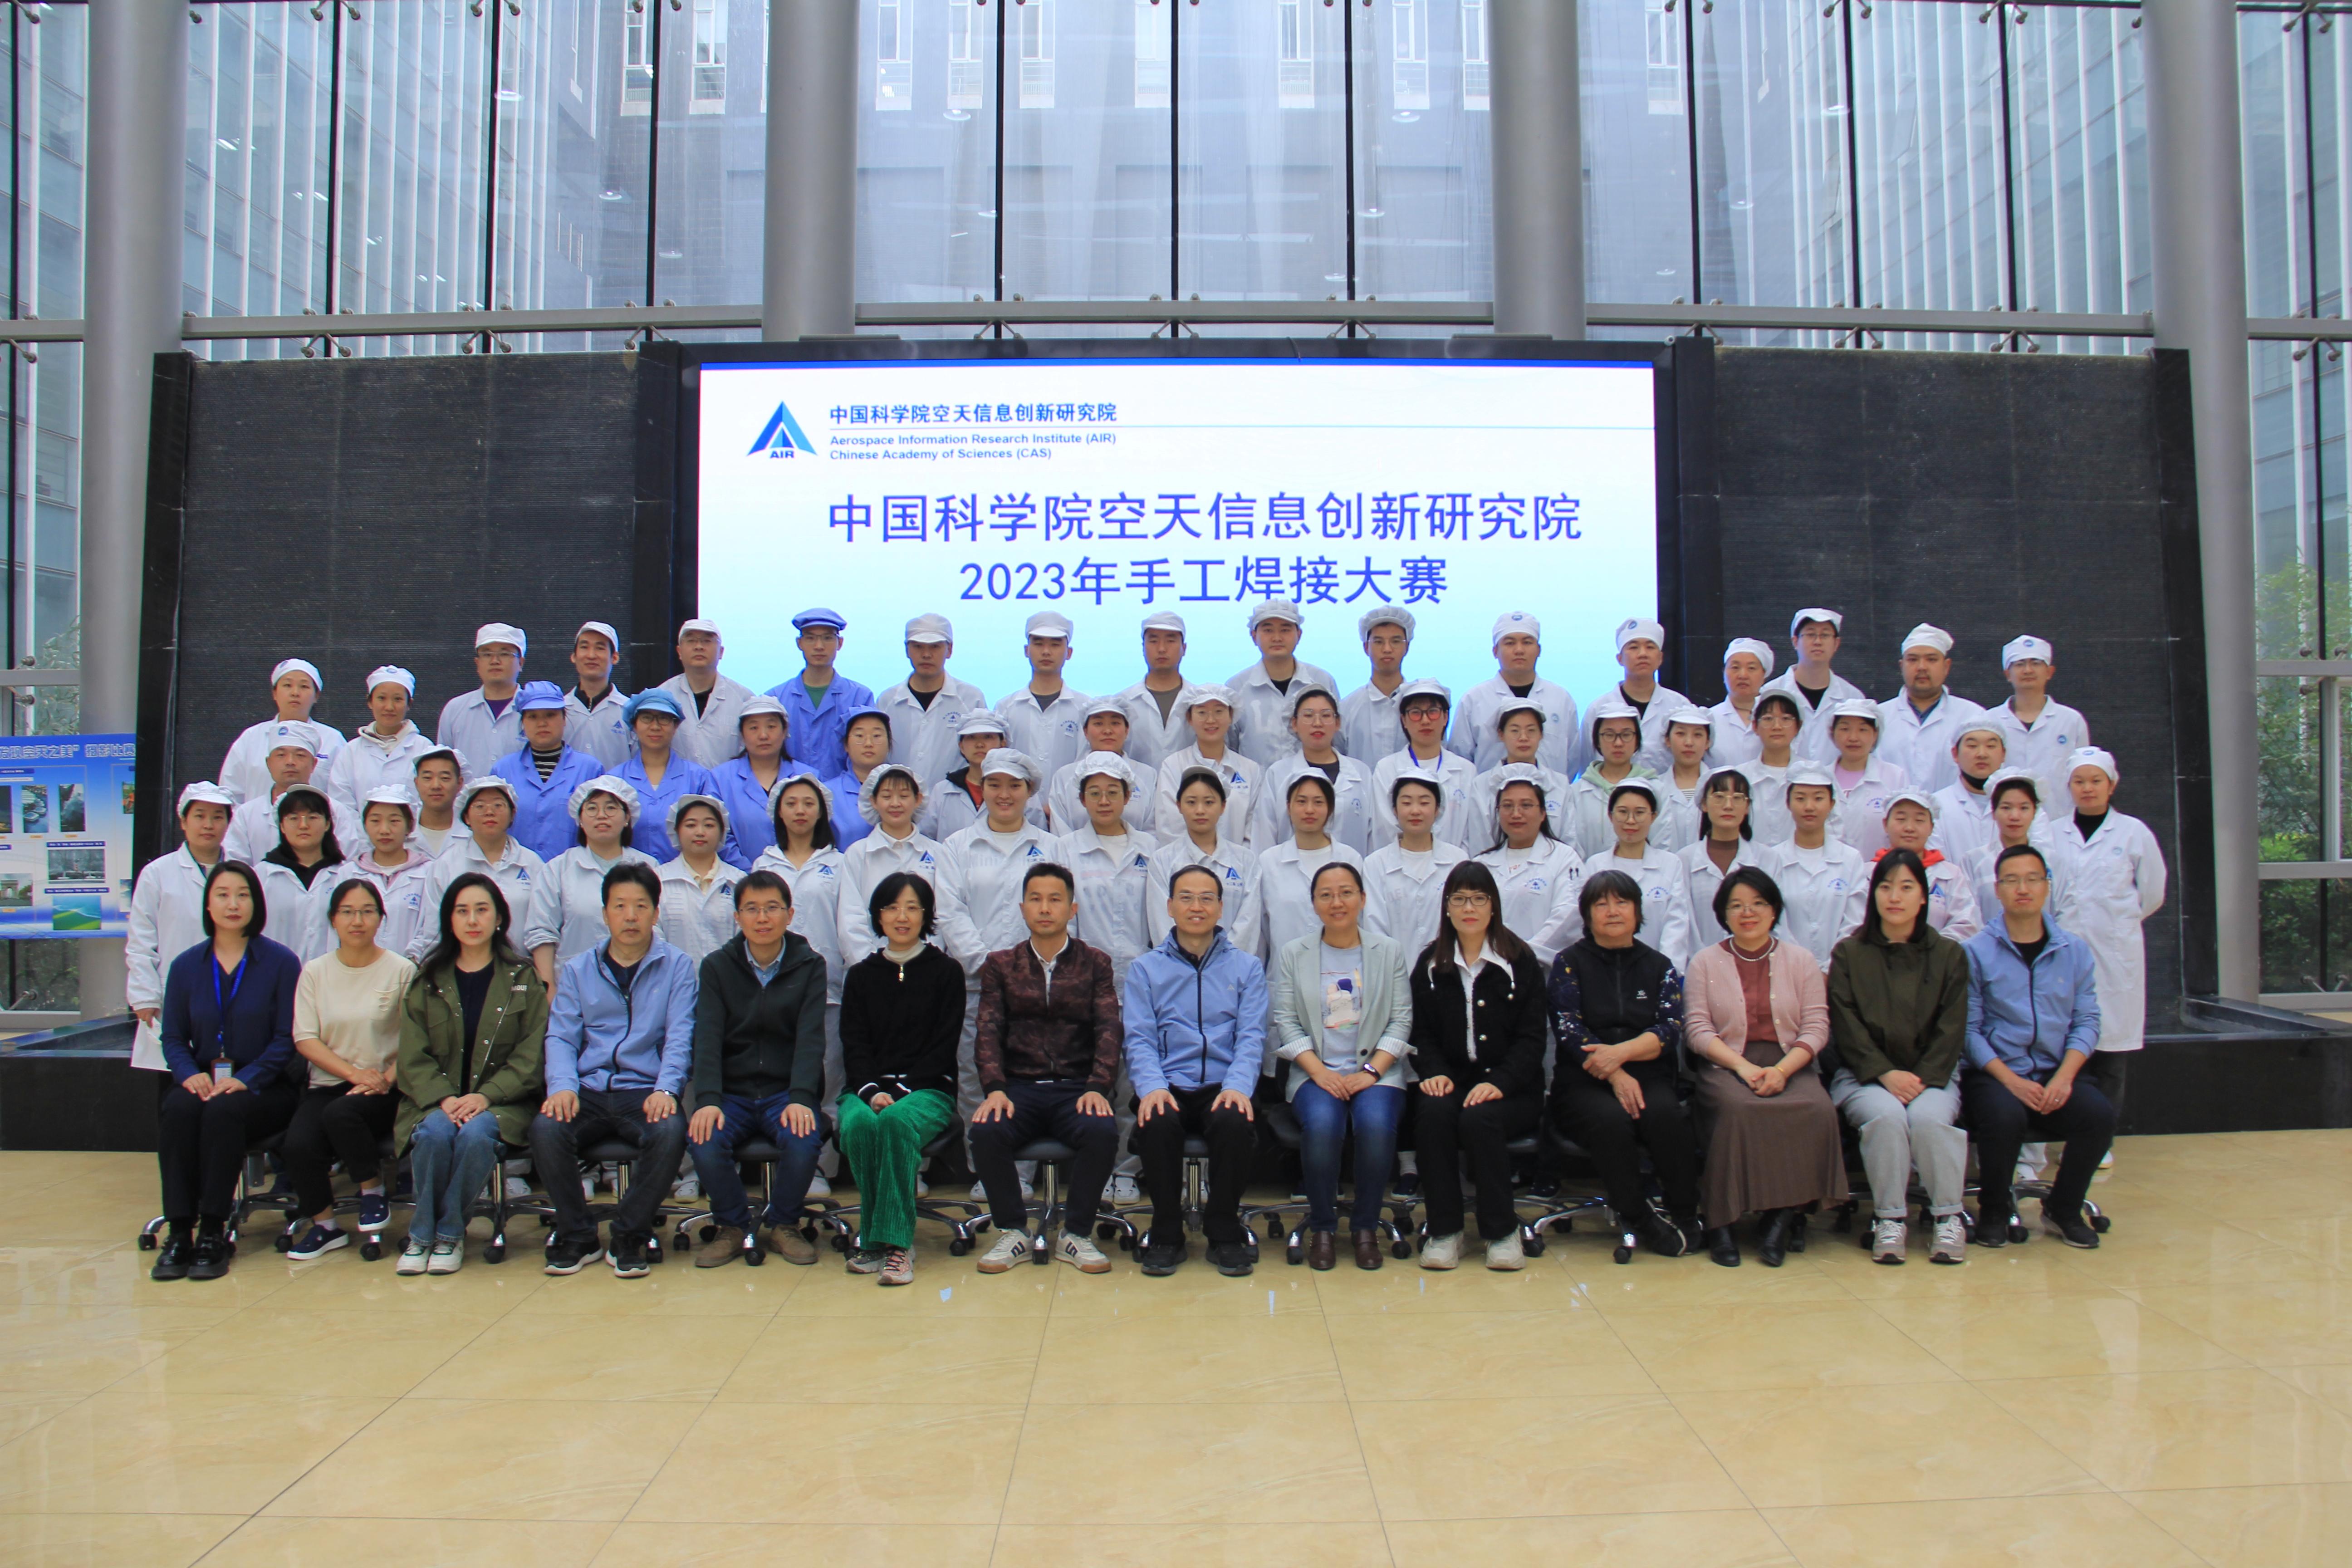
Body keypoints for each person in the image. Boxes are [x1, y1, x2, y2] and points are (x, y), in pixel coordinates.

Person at [529, 861, 698, 1277]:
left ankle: (630, 1233)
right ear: (605, 913)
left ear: (655, 913)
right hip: (587, 1088)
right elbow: (561, 1036)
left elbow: (680, 1036)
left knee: (670, 1130)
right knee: (547, 1129)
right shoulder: (578, 968)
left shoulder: (678, 966)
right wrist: (563, 1086)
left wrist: (667, 1089)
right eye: (620, 906)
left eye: (641, 906)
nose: (630, 916)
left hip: (644, 1089)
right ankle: (577, 1234)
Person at [1683, 866, 1846, 1267]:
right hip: (1726, 1065)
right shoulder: (1705, 962)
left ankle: (1780, 1219)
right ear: (1723, 914)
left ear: (1774, 910)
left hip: (1790, 1062)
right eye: (1737, 905)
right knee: (1739, 1109)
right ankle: (1721, 1222)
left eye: (1758, 904)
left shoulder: (1801, 961)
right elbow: (1697, 1030)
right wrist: (1742, 1068)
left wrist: (1783, 1071)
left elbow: (1816, 1026)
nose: (1748, 913)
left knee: (1816, 1109)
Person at [149, 862, 304, 1282]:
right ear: (208, 905)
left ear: (256, 903)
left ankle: (214, 1231)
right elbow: (173, 1037)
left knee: (223, 1111)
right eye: (223, 895)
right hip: (203, 1078)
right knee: (179, 1109)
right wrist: (188, 1073)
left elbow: (287, 1038)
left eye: (243, 895)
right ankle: (180, 1231)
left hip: (265, 1086)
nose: (233, 904)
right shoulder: (186, 966)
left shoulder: (280, 963)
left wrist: (247, 1078)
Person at [969, 864, 1124, 1275]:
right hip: (1019, 1087)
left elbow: (1109, 1028)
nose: (1045, 908)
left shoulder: (1096, 963)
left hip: (1077, 1087)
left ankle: (1077, 1234)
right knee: (986, 1130)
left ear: (1072, 909)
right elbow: (988, 1029)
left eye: (1055, 900)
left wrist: (1098, 1086)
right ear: (1022, 908)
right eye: (1035, 899)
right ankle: (1013, 1231)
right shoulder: (1002, 964)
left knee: (1102, 1131)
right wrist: (995, 1087)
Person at [393, 874, 549, 1275]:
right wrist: (445, 1098)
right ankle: (421, 1237)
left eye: (482, 910)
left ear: (499, 918)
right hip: (437, 1101)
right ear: (449, 920)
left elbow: (531, 1055)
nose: (473, 920)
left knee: (477, 1134)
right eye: (462, 911)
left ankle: (447, 1234)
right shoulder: (428, 979)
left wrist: (485, 1096)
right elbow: (412, 1055)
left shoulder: (522, 978)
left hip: (503, 1103)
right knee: (433, 1133)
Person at [1962, 844, 2115, 1248]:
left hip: (2054, 1070)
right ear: (1998, 889)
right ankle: (1994, 1210)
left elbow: (2087, 1020)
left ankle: (2063, 1208)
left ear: (2047, 886)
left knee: (2098, 1115)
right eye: (2012, 881)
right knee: (2003, 1115)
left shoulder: (2073, 950)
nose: (2023, 889)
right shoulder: (1976, 952)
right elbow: (1969, 1031)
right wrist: (2011, 1081)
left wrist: (2065, 1077)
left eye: (2032, 879)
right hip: (1995, 1072)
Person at [1548, 869, 1705, 1258]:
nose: (1613, 911)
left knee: (1667, 1116)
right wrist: (1616, 1074)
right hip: (1584, 1081)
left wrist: (1621, 1055)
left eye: (1622, 902)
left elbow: (1669, 1029)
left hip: (1648, 1074)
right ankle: (1639, 1215)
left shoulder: (1659, 965)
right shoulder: (1568, 963)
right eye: (1601, 904)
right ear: (1587, 915)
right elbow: (1569, 1030)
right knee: (1611, 1121)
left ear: (1638, 911)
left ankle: (1686, 1213)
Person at [1827, 849, 1972, 1266]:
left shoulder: (1948, 955)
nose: (1895, 897)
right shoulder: (1849, 953)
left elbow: (1952, 1028)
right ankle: (1889, 1219)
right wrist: (1886, 1074)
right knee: (1887, 1117)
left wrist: (1922, 1078)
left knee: (1929, 1119)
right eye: (1886, 887)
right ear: (1873, 895)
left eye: (1907, 887)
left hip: (1932, 1075)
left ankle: (1948, 1217)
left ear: (1924, 897)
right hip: (1865, 1075)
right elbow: (1847, 1025)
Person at [1125, 864, 1268, 1277]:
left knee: (1234, 1121)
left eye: (1207, 899)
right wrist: (1152, 1087)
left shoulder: (1247, 968)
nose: (1196, 907)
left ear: (1221, 908)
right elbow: (1139, 1038)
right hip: (1168, 1082)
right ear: (1170, 906)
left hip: (1223, 1082)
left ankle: (1224, 1231)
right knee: (1157, 1121)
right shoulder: (1145, 969)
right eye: (1186, 898)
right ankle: (1166, 1233)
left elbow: (1252, 1037)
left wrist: (1238, 1087)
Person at [1269, 862, 1412, 1271]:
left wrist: (1370, 1073)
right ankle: (1323, 1228)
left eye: (1346, 892)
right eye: (1326, 895)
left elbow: (1401, 1020)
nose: (1337, 902)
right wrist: (1320, 1072)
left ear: (1363, 899)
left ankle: (1366, 1227)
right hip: (1316, 1072)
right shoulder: (1294, 953)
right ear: (1314, 903)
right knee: (1323, 1126)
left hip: (1377, 1072)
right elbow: (1286, 1021)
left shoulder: (1388, 951)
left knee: (1375, 1126)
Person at [1408, 861, 1548, 1271]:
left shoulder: (1520, 960)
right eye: (1459, 899)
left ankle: (1502, 1232)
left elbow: (1532, 1039)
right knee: (1433, 1114)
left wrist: (1502, 1082)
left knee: (1481, 1118)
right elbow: (1420, 1033)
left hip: (1512, 1088)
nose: (1469, 908)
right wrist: (1434, 1072)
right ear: (1447, 907)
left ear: (1493, 906)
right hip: (1451, 1080)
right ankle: (1445, 1230)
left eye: (1479, 898)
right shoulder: (1430, 963)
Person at [686, 869, 828, 1267]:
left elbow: (810, 1039)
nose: (762, 918)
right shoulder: (717, 966)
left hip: (784, 1092)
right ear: (737, 917)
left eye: (772, 908)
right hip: (732, 1093)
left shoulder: (810, 965)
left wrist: (802, 1097)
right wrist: (708, 1099)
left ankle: (784, 1224)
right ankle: (732, 1225)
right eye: (751, 909)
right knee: (703, 1139)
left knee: (804, 1138)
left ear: (790, 914)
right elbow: (707, 1038)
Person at [837, 873, 966, 1285]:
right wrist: (872, 1091)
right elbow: (854, 1045)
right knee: (859, 1124)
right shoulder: (861, 975)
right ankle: (876, 1239)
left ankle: (895, 1246)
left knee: (894, 1121)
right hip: (867, 1089)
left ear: (927, 916)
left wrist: (902, 1092)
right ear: (878, 916)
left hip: (927, 1090)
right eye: (892, 908)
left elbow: (943, 1047)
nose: (902, 917)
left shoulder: (946, 972)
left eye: (913, 908)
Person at [282, 880, 418, 1261]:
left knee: (342, 1114)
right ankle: (325, 1227)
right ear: (333, 920)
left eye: (367, 911)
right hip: (331, 1083)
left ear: (381, 918)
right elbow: (306, 1039)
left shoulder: (401, 970)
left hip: (386, 1088)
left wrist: (384, 1079)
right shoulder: (315, 972)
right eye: (347, 912)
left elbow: (416, 1038)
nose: (357, 921)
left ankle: (372, 1191)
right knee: (298, 1143)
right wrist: (354, 1075)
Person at [941, 749, 1062, 1144]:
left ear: (1030, 791)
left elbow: (1062, 912)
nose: (1004, 794)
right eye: (994, 785)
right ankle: (982, 1166)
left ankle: (1023, 1171)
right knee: (974, 1075)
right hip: (977, 982)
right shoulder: (958, 846)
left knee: (1029, 1075)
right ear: (982, 788)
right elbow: (950, 911)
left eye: (1014, 786)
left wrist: (1034, 968)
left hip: (1037, 985)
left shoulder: (1052, 847)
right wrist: (986, 964)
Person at [2048, 746, 2166, 1127]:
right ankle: (2065, 1129)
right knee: (2065, 1046)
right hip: (2064, 953)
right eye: (2079, 781)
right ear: (2069, 787)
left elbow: (2153, 893)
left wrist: (2117, 924)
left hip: (2116, 957)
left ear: (2112, 785)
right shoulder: (2053, 834)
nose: (2088, 788)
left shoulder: (2134, 833)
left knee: (2112, 1049)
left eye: (2096, 781)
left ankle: (2100, 1139)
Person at [753, 771, 851, 1183]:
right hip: (772, 991)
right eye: (791, 803)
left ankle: (820, 1168)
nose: (800, 811)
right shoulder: (763, 865)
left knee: (827, 1080)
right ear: (778, 811)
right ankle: (788, 1169)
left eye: (809, 803)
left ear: (822, 812)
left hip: (828, 988)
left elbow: (849, 925)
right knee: (784, 1081)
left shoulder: (839, 864)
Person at [130, 784, 239, 1073]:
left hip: (232, 990)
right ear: (183, 821)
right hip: (174, 995)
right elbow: (141, 940)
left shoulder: (242, 872)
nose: (208, 825)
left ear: (228, 823)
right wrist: (145, 996)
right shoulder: (157, 874)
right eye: (200, 816)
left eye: (218, 817)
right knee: (178, 1078)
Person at [836, 762, 964, 972]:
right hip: (870, 972)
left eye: (904, 796)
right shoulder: (858, 854)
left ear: (918, 799)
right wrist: (871, 968)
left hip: (927, 971)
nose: (895, 804)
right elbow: (851, 919)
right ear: (873, 801)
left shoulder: (938, 853)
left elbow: (944, 914)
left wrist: (925, 963)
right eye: (887, 796)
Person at [524, 776, 660, 970]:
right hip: (573, 980)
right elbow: (541, 931)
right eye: (592, 808)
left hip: (640, 975)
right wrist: (548, 983)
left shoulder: (649, 866)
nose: (602, 815)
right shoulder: (558, 869)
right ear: (580, 819)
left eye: (611, 808)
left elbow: (659, 926)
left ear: (627, 818)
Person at [412, 777, 548, 965]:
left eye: (498, 805)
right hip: (461, 968)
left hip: (520, 969)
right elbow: (434, 930)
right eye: (480, 806)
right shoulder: (446, 865)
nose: (489, 812)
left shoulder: (532, 864)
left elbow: (542, 926)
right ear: (467, 817)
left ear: (513, 814)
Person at [1146, 767, 1264, 968]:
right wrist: (1187, 966)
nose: (1200, 810)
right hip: (1177, 971)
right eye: (1191, 802)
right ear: (1179, 806)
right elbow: (1161, 923)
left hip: (1233, 971)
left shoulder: (1246, 860)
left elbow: (1249, 923)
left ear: (1223, 806)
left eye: (1209, 802)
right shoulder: (1162, 860)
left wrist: (1223, 965)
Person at [1256, 774, 1379, 966]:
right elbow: (1262, 929)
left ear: (1331, 808)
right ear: (1288, 807)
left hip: (1344, 973)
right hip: (1284, 974)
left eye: (1319, 802)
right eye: (1301, 802)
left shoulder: (1350, 859)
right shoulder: (1269, 862)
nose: (1309, 810)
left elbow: (1362, 921)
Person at [1759, 763, 1868, 969]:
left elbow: (1856, 921)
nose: (1809, 807)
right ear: (1788, 803)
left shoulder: (1851, 859)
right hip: (1785, 969)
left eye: (1818, 798)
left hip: (1841, 971)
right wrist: (1801, 967)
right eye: (1801, 798)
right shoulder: (1772, 859)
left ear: (1832, 803)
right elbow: (1772, 920)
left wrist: (1831, 967)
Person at [614, 689, 740, 867]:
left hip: (686, 877)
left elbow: (716, 831)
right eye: (647, 718)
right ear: (634, 725)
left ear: (676, 727)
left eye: (664, 719)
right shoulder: (615, 779)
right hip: (629, 877)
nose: (655, 726)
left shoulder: (699, 778)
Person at [1474, 768, 1586, 964]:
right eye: (1507, 806)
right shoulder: (1481, 864)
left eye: (1526, 805)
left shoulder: (1564, 858)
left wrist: (1523, 955)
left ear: (1543, 813)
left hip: (1544, 969)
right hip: (1488, 968)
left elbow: (1569, 916)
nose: (1516, 814)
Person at [1450, 611, 1581, 777]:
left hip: (1551, 792)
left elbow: (1573, 759)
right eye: (1510, 643)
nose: (1519, 650)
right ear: (1495, 651)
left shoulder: (1561, 699)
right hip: (1489, 793)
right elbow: (1460, 758)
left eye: (1527, 642)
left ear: (1539, 650)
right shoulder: (1474, 700)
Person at [1251, 687, 1377, 854]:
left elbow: (1374, 837)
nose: (1317, 723)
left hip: (1351, 869)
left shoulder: (1361, 773)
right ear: (1294, 723)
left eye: (1326, 715)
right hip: (1290, 869)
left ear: (1338, 723)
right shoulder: (1278, 774)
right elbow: (1264, 837)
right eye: (1308, 715)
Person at [493, 681, 605, 862]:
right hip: (515, 870)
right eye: (533, 717)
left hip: (575, 870)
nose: (542, 723)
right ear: (523, 723)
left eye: (550, 715)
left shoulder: (590, 770)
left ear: (564, 719)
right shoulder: (503, 770)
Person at [322, 665, 434, 845]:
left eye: (398, 699)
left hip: (415, 846)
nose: (389, 707)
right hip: (360, 848)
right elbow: (342, 806)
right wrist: (366, 840)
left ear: (409, 704)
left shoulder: (425, 749)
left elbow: (430, 803)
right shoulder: (351, 751)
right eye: (382, 698)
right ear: (370, 702)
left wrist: (408, 838)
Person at [877, 612, 989, 791]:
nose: (926, 655)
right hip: (898, 801)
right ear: (907, 650)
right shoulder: (887, 701)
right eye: (918, 647)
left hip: (955, 798)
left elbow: (983, 756)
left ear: (949, 650)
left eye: (935, 647)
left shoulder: (971, 698)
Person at [1363, 772, 1468, 962]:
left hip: (1448, 969)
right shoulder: (1375, 865)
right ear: (1395, 810)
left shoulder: (1457, 860)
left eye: (1424, 803)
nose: (1415, 811)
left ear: (1437, 809)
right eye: (1406, 803)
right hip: (1392, 970)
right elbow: (1374, 927)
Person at [1594, 780, 1697, 968]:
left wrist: (1666, 971)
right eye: (1623, 812)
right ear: (1610, 816)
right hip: (1604, 968)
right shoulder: (1595, 865)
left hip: (1656, 971)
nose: (1631, 821)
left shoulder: (1670, 864)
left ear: (1653, 817)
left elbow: (1676, 923)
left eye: (1640, 813)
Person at [766, 607, 876, 782]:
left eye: (827, 638)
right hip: (789, 794)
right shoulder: (775, 699)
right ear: (799, 643)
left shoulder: (860, 697)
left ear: (840, 643)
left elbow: (870, 755)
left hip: (846, 794)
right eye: (811, 638)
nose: (819, 646)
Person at [1229, 598, 1342, 769]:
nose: (1277, 638)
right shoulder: (1236, 687)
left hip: (1315, 784)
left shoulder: (1322, 681)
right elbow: (1230, 748)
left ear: (1299, 635)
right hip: (1256, 785)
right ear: (1254, 636)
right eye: (1268, 630)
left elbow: (1336, 741)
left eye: (1285, 630)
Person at [1872, 624, 1986, 792]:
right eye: (1913, 660)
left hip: (1954, 808)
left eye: (1931, 660)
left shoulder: (1973, 716)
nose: (1922, 667)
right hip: (1891, 808)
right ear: (1902, 666)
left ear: (1946, 666)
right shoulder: (1878, 717)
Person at [1990, 634, 2092, 814]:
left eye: (2036, 663)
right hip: (2007, 821)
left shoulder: (2071, 720)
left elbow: (2084, 772)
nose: (2028, 670)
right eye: (2020, 664)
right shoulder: (1990, 721)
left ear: (2049, 672)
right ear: (2008, 674)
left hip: (2059, 820)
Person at [1370, 679, 1478, 848]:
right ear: (1404, 720)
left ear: (1446, 717)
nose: (1425, 720)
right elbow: (1385, 829)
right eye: (1416, 713)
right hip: (1400, 861)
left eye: (1433, 712)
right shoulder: (1386, 769)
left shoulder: (1467, 771)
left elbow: (1471, 833)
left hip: (1457, 863)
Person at [219, 657, 341, 804]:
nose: (295, 693)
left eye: (304, 687)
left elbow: (341, 796)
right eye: (288, 685)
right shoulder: (251, 738)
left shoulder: (333, 740)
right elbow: (230, 794)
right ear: (275, 693)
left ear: (316, 696)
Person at [1150, 685, 1260, 846]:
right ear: (1189, 718)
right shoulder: (1173, 766)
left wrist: (1236, 858)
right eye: (1202, 713)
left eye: (1219, 712)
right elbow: (1168, 826)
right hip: (1184, 860)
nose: (1211, 720)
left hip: (1238, 861)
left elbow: (1254, 829)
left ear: (1231, 716)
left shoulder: (1250, 769)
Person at [1962, 769, 2071, 928]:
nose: (2015, 816)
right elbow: (1969, 915)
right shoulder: (1973, 861)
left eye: (2024, 808)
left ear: (2034, 813)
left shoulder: (2053, 862)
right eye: (2006, 808)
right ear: (1993, 812)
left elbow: (2067, 914)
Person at [995, 610, 1094, 784]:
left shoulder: (1086, 707)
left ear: (1069, 653)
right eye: (1039, 644)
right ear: (1027, 650)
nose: (1046, 652)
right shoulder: (1005, 708)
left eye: (1055, 645)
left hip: (1070, 800)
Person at [1760, 607, 1868, 763]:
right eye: (1811, 635)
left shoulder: (1852, 697)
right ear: (1795, 641)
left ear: (1836, 643)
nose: (1818, 642)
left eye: (1825, 635)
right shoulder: (1770, 693)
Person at [253, 785, 344, 961]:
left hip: (332, 974)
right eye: (294, 818)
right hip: (277, 972)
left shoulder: (345, 874)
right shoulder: (262, 875)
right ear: (282, 826)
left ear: (328, 824)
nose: (304, 825)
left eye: (313, 817)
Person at [1466, 699, 1573, 845]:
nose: (1524, 738)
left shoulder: (1560, 784)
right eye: (1515, 731)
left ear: (1541, 734)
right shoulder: (1482, 785)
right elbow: (1479, 841)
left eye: (1531, 731)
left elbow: (1570, 838)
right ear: (1501, 734)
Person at [1878, 789, 1981, 940]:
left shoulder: (1952, 875)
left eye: (1919, 820)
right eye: (1901, 819)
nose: (1909, 828)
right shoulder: (1868, 873)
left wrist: (1932, 949)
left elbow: (1965, 923)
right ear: (1885, 824)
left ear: (1932, 828)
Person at [349, 787, 438, 959]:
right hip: (358, 967)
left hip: (413, 968)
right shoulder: (349, 873)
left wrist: (411, 962)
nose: (385, 830)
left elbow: (432, 928)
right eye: (375, 821)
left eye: (394, 821)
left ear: (410, 826)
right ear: (365, 825)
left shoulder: (429, 872)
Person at [657, 617, 758, 766]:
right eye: (691, 641)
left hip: (727, 781)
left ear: (721, 652)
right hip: (675, 781)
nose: (699, 647)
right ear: (679, 651)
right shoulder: (662, 697)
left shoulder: (744, 699)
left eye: (707, 641)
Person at [1044, 698, 1155, 834]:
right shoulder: (1064, 776)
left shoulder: (1147, 775)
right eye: (1098, 724)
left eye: (1115, 723)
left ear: (1127, 730)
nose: (1107, 731)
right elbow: (1060, 832)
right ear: (1085, 731)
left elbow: (1152, 830)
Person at [1563, 701, 1658, 859]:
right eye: (1609, 735)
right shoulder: (1576, 793)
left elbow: (1662, 843)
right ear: (1597, 741)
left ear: (1637, 740)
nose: (1618, 743)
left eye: (1626, 735)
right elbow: (1572, 846)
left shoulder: (1656, 789)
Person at [1682, 767, 1764, 948]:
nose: (1728, 806)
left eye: (1737, 798)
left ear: (1747, 807)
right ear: (1704, 804)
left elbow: (1774, 920)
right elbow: (1684, 922)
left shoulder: (1767, 859)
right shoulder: (1684, 860)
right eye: (1719, 797)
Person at [708, 695, 796, 861]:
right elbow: (719, 834)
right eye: (754, 728)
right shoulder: (720, 779)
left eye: (771, 727)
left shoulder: (807, 776)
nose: (763, 735)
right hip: (739, 873)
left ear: (785, 731)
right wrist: (748, 871)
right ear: (742, 734)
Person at [1108, 610, 1198, 773]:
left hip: (1191, 788)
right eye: (1154, 641)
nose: (1162, 649)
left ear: (1184, 648)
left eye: (1171, 641)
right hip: (1136, 788)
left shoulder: (1200, 701)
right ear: (1143, 648)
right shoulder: (1122, 703)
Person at [657, 796, 744, 961]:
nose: (700, 832)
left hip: (728, 976)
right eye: (691, 825)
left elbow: (746, 937)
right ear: (676, 830)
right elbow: (654, 936)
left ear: (722, 831)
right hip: (674, 976)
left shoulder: (739, 881)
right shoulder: (658, 880)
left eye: (709, 825)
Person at [224, 727, 327, 863]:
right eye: (281, 755)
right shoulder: (246, 815)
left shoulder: (335, 812)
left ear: (314, 764)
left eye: (300, 755)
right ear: (269, 763)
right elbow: (235, 864)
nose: (290, 762)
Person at [436, 622, 529, 768]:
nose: (495, 661)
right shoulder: (455, 709)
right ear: (477, 663)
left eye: (505, 654)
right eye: (487, 655)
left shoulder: (535, 709)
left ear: (521, 663)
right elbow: (443, 765)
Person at [1824, 700, 1910, 857]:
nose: (1853, 738)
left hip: (1879, 868)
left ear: (1875, 734)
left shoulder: (1895, 777)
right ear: (1833, 733)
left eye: (1863, 730)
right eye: (1845, 729)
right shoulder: (1821, 778)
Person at [1928, 720, 2016, 871]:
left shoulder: (2024, 806)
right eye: (1972, 746)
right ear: (1955, 754)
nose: (1982, 754)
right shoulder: (1936, 807)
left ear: (2003, 754)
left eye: (1991, 746)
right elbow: (1935, 865)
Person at [922, 711, 1022, 841]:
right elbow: (926, 839)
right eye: (972, 737)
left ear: (1003, 744)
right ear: (961, 747)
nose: (980, 744)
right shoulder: (942, 791)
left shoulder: (1021, 788)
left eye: (988, 737)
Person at [1611, 617, 1692, 770]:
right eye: (1634, 648)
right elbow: (1588, 762)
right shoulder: (1600, 708)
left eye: (1650, 647)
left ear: (1660, 658)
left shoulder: (1680, 706)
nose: (1643, 654)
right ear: (1620, 659)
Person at [1341, 606, 1416, 763]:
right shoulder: (1347, 708)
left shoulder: (1421, 705)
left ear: (1407, 647)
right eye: (1378, 642)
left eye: (1396, 641)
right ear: (1366, 648)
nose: (1387, 649)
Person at [563, 620, 637, 768]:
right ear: (574, 656)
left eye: (600, 648)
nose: (591, 655)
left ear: (615, 657)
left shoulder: (630, 711)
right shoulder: (559, 710)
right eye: (584, 647)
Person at [823, 707, 894, 851]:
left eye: (877, 736)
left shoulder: (906, 788)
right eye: (860, 736)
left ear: (889, 743)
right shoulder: (827, 793)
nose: (869, 743)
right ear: (846, 745)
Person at [1651, 706, 1717, 853]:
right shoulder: (1655, 788)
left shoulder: (1720, 788)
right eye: (1681, 734)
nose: (1689, 742)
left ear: (1708, 742)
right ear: (1667, 740)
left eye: (1698, 735)